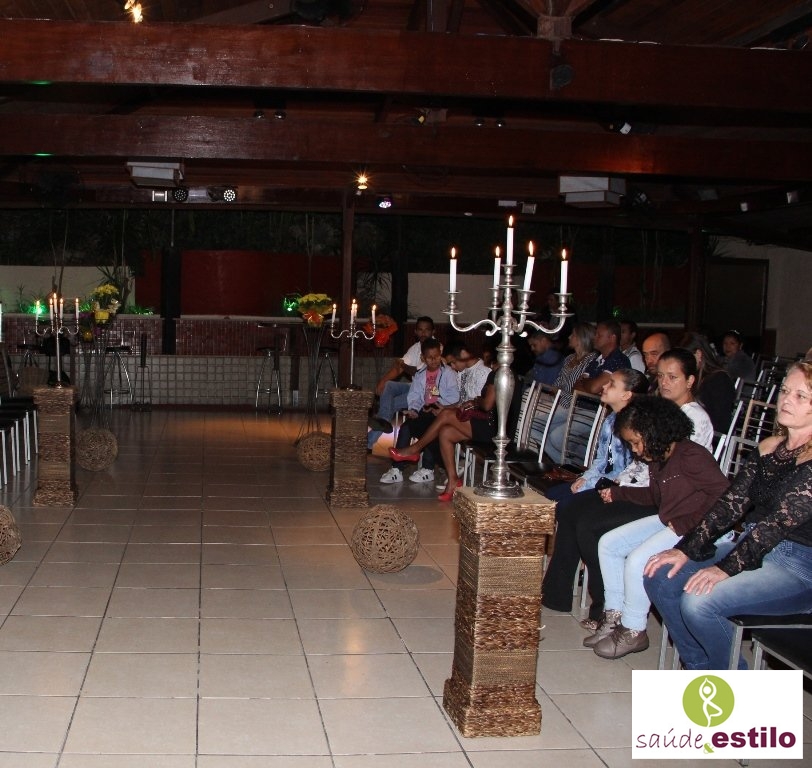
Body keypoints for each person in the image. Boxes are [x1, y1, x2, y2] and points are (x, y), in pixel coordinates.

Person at [644, 362, 812, 670]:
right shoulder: (769, 447)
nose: (786, 400)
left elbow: (775, 526)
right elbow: (730, 504)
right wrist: (685, 548)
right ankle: (701, 669)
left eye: (801, 396)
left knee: (700, 602)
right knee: (660, 574)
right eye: (785, 391)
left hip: (798, 566)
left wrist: (725, 568)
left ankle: (734, 681)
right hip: (751, 546)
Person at [587, 399, 729, 659]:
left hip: (700, 528)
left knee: (639, 560)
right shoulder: (659, 459)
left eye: (636, 443)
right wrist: (619, 493)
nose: (635, 450)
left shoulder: (691, 456)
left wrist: (687, 523)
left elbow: (724, 496)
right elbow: (655, 496)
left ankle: (634, 629)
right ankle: (614, 616)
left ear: (655, 433)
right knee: (609, 543)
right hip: (673, 521)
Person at [390, 367, 497, 501]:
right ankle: (453, 480)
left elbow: (487, 405)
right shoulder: (501, 373)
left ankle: (415, 449)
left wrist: (477, 400)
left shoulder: (498, 374)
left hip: (494, 430)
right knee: (445, 432)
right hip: (490, 424)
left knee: (445, 415)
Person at [544, 368, 649, 504]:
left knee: (561, 504)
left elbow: (624, 472)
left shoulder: (634, 427)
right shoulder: (610, 420)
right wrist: (585, 478)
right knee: (550, 494)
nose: (604, 386)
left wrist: (590, 484)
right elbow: (601, 459)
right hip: (600, 480)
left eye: (611, 384)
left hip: (615, 488)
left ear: (626, 395)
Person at [379, 338, 459, 485]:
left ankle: (428, 469)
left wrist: (438, 403)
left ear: (440, 354)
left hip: (442, 411)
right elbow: (414, 396)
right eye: (430, 358)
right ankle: (396, 469)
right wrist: (414, 409)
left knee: (430, 428)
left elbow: (454, 396)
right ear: (423, 358)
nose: (434, 360)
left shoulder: (448, 373)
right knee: (406, 427)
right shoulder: (420, 375)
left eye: (436, 357)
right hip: (425, 410)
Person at [367, 316, 435, 450]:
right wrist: (382, 381)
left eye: (427, 330)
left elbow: (420, 373)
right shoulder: (416, 348)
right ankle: (383, 420)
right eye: (420, 330)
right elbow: (398, 368)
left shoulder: (436, 348)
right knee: (388, 385)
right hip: (413, 387)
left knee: (389, 405)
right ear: (415, 332)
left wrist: (403, 365)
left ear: (433, 331)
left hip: (426, 393)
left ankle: (369, 440)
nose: (423, 333)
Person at [529, 322, 597, 449]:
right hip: (560, 401)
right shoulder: (569, 358)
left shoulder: (591, 360)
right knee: (532, 422)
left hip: (574, 406)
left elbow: (579, 387)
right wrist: (557, 391)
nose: (569, 337)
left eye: (573, 335)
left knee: (544, 430)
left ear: (581, 339)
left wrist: (560, 391)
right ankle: (550, 457)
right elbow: (558, 382)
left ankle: (558, 459)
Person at [656, 348, 715, 450]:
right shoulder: (664, 409)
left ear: (689, 381)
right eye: (660, 375)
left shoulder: (696, 417)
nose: (663, 382)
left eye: (672, 377)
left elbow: (684, 457)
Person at [679, 332, 736, 434]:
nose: (682, 364)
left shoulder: (719, 380)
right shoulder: (695, 376)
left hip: (708, 435)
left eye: (685, 359)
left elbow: (720, 423)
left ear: (698, 354)